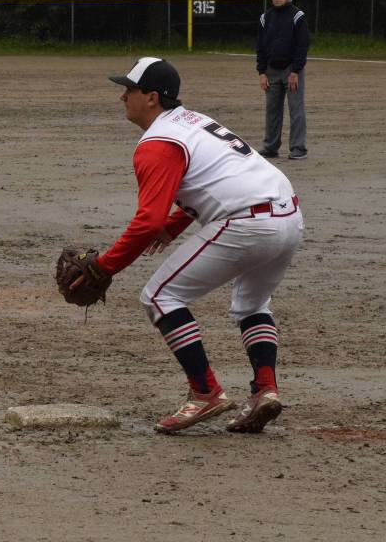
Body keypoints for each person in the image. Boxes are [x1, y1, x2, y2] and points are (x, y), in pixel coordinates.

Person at [90, 57, 303, 434]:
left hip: (247, 223)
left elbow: (146, 222)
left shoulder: (157, 142)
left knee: (159, 297)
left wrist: (105, 266)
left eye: (130, 89)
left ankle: (205, 393)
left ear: (152, 97)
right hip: (289, 216)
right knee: (252, 304)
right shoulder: (192, 121)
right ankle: (265, 391)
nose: (123, 96)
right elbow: (216, 177)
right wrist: (174, 226)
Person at [256, 0, 310, 160]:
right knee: (272, 111)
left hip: (291, 71)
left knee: (296, 110)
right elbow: (260, 47)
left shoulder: (297, 16)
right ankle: (271, 147)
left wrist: (295, 71)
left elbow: (302, 46)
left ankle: (298, 148)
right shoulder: (265, 17)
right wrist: (261, 72)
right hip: (271, 71)